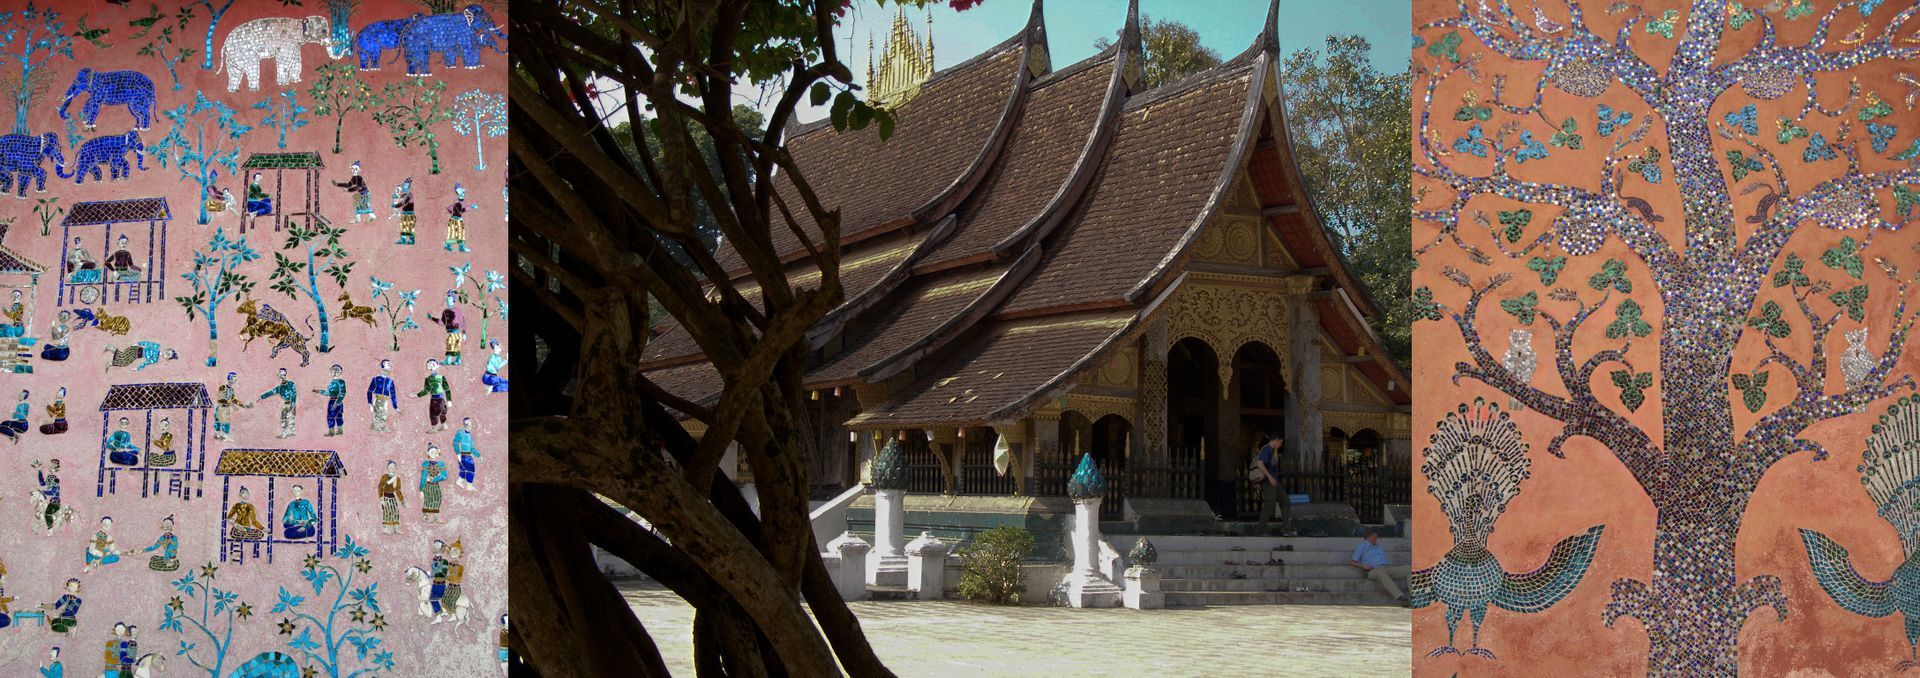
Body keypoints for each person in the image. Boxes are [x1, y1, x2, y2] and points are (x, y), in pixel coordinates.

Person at [1350, 529, 1410, 607]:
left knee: (1410, 569)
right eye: (1375, 537)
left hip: (1386, 568)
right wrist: (1363, 566)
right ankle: (1401, 597)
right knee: (1381, 572)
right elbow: (1352, 562)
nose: (1376, 539)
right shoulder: (1362, 546)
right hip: (1373, 571)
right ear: (1369, 537)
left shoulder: (1378, 547)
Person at [1254, 433, 1291, 531]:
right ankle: (1259, 530)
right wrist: (1270, 477)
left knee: (1285, 502)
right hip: (1268, 482)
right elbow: (1260, 463)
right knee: (1269, 506)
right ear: (1276, 440)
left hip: (1274, 482)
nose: (1281, 445)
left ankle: (1285, 529)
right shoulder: (1267, 449)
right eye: (1280, 442)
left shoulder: (1272, 450)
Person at [258, 368, 298, 439]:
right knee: (284, 418)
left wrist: (293, 405)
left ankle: (293, 431)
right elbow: (271, 392)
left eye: (283, 374)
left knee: (290, 417)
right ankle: (285, 433)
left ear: (285, 375)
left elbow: (294, 394)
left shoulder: (291, 384)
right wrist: (261, 397)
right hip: (286, 404)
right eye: (280, 374)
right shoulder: (279, 388)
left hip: (291, 403)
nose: (282, 376)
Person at [415, 359, 452, 432]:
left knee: (438, 412)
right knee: (437, 412)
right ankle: (440, 426)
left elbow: (447, 389)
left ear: (437, 365)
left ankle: (438, 427)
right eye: (429, 365)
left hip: (438, 399)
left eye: (433, 364)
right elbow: (426, 390)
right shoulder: (428, 379)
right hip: (436, 398)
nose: (431, 366)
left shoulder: (441, 377)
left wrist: (449, 400)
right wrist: (418, 395)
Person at [213, 372, 249, 441]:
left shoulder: (232, 390)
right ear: (230, 378)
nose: (235, 379)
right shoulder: (222, 387)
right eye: (233, 377)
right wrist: (231, 403)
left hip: (226, 408)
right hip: (221, 407)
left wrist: (243, 405)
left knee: (226, 422)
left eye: (235, 377)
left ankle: (225, 435)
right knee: (219, 421)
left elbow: (233, 399)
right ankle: (218, 434)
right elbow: (220, 398)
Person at [313, 364, 346, 436]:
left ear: (339, 372)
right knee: (338, 416)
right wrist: (318, 391)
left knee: (332, 416)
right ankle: (337, 431)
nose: (334, 372)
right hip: (332, 400)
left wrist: (337, 402)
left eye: (336, 371)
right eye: (333, 370)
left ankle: (333, 432)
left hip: (336, 401)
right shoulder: (331, 383)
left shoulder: (341, 382)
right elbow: (328, 393)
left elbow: (343, 393)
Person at [368, 359, 398, 432]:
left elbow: (393, 394)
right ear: (382, 366)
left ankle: (382, 426)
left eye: (390, 364)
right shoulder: (376, 379)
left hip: (385, 400)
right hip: (378, 399)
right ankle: (376, 427)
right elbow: (369, 391)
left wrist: (395, 406)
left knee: (384, 414)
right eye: (388, 364)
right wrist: (370, 403)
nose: (390, 365)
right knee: (377, 414)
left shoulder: (390, 381)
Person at [420, 444, 447, 522]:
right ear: (428, 453)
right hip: (427, 486)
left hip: (435, 485)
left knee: (437, 499)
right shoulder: (425, 464)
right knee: (427, 500)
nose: (433, 454)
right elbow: (424, 477)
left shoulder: (441, 464)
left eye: (435, 452)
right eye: (431, 452)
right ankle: (425, 517)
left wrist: (433, 479)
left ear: (438, 453)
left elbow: (444, 476)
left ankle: (436, 518)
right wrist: (421, 490)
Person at [377, 460, 405, 534]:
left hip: (392, 497)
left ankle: (396, 528)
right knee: (387, 512)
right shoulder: (385, 477)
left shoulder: (397, 479)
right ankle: (385, 528)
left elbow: (398, 490)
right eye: (390, 467)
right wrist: (381, 498)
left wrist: (402, 500)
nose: (392, 468)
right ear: (387, 468)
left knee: (395, 511)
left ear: (396, 468)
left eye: (394, 467)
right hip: (385, 497)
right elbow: (380, 487)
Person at [444, 183, 474, 252]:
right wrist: (471, 207)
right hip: (456, 220)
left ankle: (454, 246)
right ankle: (456, 247)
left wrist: (470, 207)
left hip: (454, 220)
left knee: (455, 233)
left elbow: (462, 209)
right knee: (456, 233)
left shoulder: (458, 202)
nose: (463, 195)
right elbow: (463, 209)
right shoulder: (458, 201)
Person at [33, 459, 61, 532]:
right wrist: (39, 471)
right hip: (51, 501)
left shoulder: (56, 480)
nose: (51, 466)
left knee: (47, 514)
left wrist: (42, 491)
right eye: (50, 465)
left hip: (55, 503)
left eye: (53, 466)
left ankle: (50, 529)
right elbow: (42, 483)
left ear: (56, 468)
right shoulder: (49, 478)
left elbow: (52, 493)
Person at [454, 418, 481, 490]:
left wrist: (478, 455)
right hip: (464, 456)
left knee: (463, 470)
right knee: (471, 471)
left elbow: (472, 448)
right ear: (465, 423)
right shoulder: (461, 433)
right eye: (470, 422)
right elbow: (455, 443)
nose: (471, 424)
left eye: (471, 423)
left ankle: (459, 481)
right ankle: (469, 486)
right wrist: (458, 454)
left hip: (467, 455)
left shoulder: (469, 436)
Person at [391, 177, 416, 244]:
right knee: (404, 226)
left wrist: (395, 206)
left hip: (409, 214)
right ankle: (405, 240)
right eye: (404, 184)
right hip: (406, 213)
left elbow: (404, 202)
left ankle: (410, 240)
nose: (405, 186)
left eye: (406, 184)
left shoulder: (409, 194)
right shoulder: (404, 194)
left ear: (409, 186)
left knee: (407, 226)